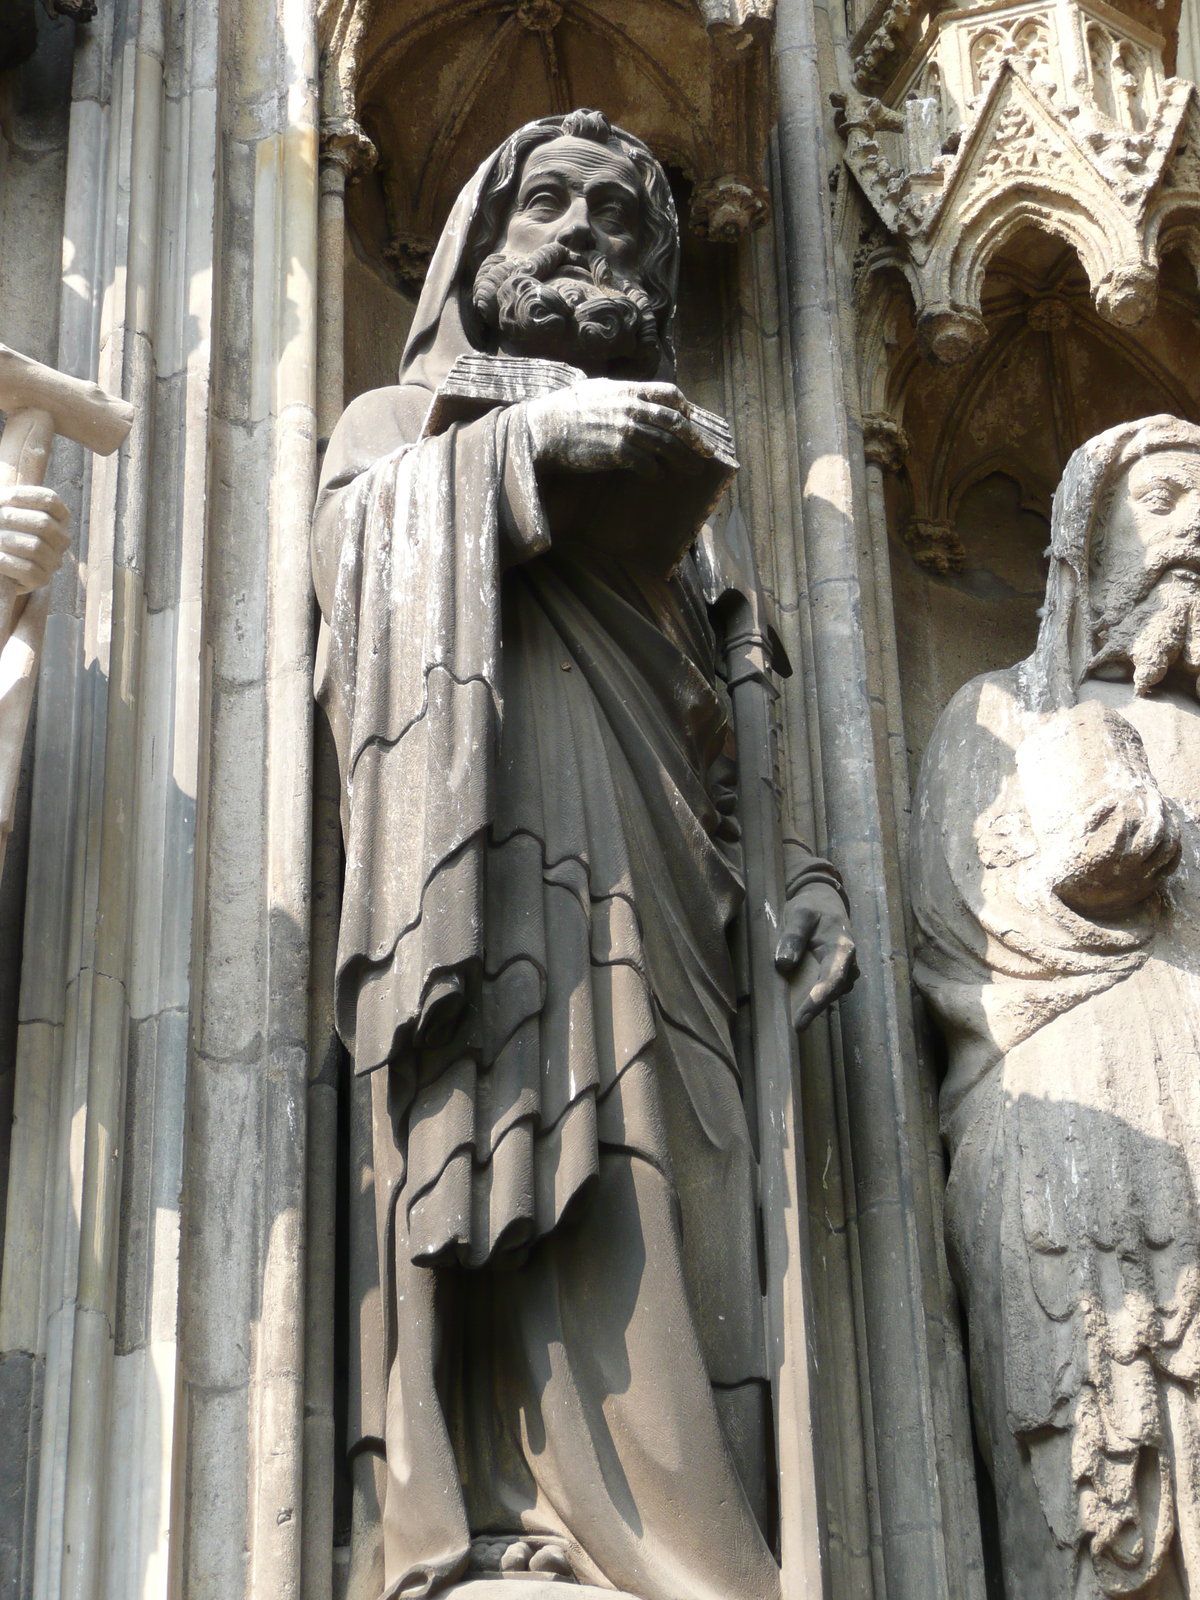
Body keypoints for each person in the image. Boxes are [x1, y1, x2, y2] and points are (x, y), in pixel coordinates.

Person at [312, 108, 856, 1600]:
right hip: (501, 854)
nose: (585, 238)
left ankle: (697, 1542)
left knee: (687, 1196)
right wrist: (523, 452)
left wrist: (798, 882)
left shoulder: (694, 499)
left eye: (622, 223)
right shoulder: (400, 424)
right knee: (537, 1161)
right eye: (550, 204)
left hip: (671, 888)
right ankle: (514, 1522)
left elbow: (732, 743)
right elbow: (353, 568)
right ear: (480, 242)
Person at [913, 415, 1200, 1598]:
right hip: (1073, 1120)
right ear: (1089, 534)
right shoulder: (1002, 718)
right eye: (1171, 494)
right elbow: (951, 931)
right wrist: (1087, 893)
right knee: (1104, 1498)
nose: (1197, 523)